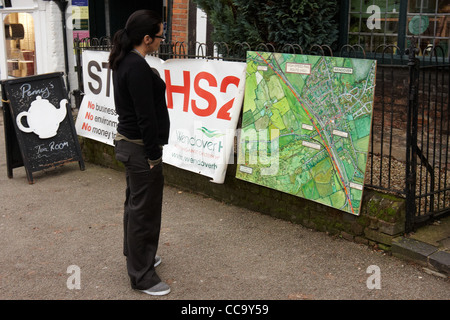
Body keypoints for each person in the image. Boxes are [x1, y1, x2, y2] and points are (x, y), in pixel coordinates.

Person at [109, 10, 170, 296]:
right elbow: (146, 117)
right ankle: (142, 275)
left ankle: (137, 255)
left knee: (135, 206)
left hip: (129, 146)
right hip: (139, 150)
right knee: (144, 212)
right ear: (147, 39)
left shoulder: (127, 61)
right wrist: (153, 155)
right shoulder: (137, 67)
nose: (162, 40)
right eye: (160, 36)